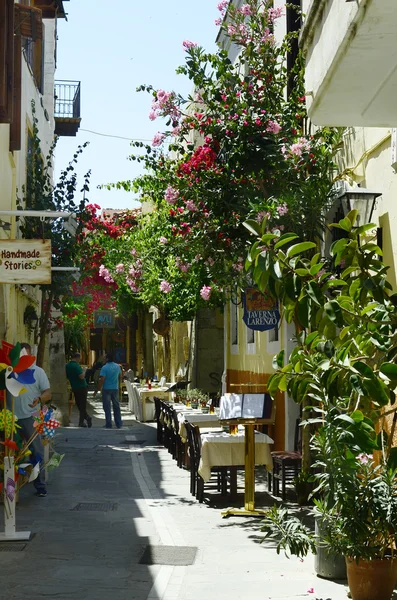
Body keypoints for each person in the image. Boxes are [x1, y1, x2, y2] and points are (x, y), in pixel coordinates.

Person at [7, 343, 50, 497]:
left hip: (30, 418)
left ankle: (40, 485)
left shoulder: (38, 372)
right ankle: (9, 486)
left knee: (37, 451)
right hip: (10, 419)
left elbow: (47, 392)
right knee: (9, 453)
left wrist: (39, 399)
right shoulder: (9, 371)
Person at [93, 353, 122, 429]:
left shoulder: (104, 368)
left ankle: (109, 424)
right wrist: (118, 386)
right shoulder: (117, 367)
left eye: (104, 358)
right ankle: (118, 423)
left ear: (107, 359)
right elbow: (120, 376)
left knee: (107, 407)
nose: (103, 359)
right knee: (116, 406)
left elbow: (102, 379)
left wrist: (97, 390)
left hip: (106, 389)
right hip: (115, 389)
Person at [65, 352, 92, 428]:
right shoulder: (76, 366)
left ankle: (86, 418)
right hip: (82, 386)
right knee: (82, 405)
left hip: (75, 387)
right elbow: (81, 376)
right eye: (79, 358)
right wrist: (84, 370)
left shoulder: (67, 365)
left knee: (79, 404)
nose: (80, 360)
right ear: (77, 358)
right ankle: (82, 421)